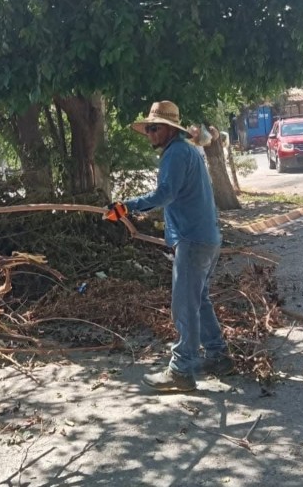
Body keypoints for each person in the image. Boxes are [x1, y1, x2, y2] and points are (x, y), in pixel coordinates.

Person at [111, 100, 231, 392]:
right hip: (206, 238)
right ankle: (218, 356)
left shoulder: (176, 153)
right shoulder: (187, 151)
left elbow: (165, 194)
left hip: (193, 240)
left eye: (154, 128)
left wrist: (126, 207)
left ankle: (181, 371)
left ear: (168, 129)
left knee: (184, 306)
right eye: (148, 129)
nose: (150, 134)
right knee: (199, 300)